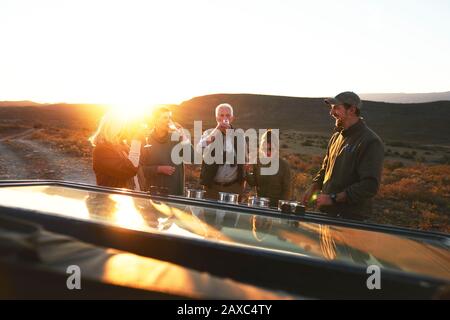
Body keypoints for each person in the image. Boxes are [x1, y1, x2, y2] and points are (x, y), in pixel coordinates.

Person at [302, 91, 384, 220]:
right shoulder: (336, 137)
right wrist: (314, 187)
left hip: (351, 218)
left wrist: (333, 199)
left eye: (336, 108)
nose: (331, 113)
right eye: (331, 108)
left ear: (351, 110)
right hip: (328, 214)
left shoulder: (369, 141)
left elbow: (370, 185)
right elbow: (325, 169)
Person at [196, 103, 245, 200]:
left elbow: (244, 159)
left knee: (232, 215)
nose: (224, 118)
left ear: (232, 118)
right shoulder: (208, 133)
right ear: (216, 118)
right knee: (210, 215)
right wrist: (217, 130)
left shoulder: (240, 135)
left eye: (227, 115)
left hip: (234, 187)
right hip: (212, 187)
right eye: (221, 115)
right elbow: (199, 148)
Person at [139, 106, 192, 196]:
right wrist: (158, 169)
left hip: (175, 192)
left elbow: (192, 158)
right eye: (164, 118)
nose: (168, 121)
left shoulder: (177, 138)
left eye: (170, 118)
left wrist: (183, 136)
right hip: (153, 192)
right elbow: (139, 169)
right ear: (155, 120)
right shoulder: (146, 140)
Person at [89, 112, 138, 188]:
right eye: (117, 124)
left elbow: (139, 163)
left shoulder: (121, 144)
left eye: (122, 125)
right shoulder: (102, 150)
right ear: (108, 126)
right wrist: (136, 142)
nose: (121, 127)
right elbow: (128, 171)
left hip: (124, 194)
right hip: (109, 196)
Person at [245, 129, 291, 207]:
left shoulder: (284, 165)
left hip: (276, 208)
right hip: (260, 205)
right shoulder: (258, 162)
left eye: (271, 149)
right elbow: (253, 183)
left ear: (276, 148)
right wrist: (246, 172)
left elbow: (286, 191)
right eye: (265, 149)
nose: (268, 152)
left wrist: (281, 208)